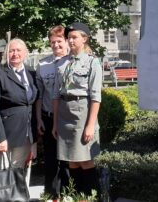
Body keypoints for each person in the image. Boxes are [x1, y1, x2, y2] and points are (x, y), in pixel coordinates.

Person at [52, 23, 102, 196]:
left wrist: (90, 125)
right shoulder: (61, 64)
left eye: (74, 37)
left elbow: (96, 97)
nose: (70, 40)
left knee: (85, 160)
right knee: (71, 161)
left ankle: (92, 197)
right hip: (65, 114)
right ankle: (76, 196)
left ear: (84, 39)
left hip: (83, 112)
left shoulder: (92, 62)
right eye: (69, 37)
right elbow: (56, 96)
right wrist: (55, 124)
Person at [0, 38, 38, 186]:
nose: (15, 54)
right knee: (3, 173)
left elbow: (33, 102)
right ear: (6, 53)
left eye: (18, 50)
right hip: (7, 133)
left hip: (27, 132)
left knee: (20, 171)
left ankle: (19, 197)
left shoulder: (32, 73)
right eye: (11, 51)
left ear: (25, 53)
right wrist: (0, 137)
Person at [36, 25, 70, 196]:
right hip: (48, 117)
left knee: (68, 160)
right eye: (52, 42)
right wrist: (39, 119)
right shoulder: (43, 64)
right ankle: (51, 196)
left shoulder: (73, 62)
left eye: (59, 41)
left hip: (69, 119)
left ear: (66, 41)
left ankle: (70, 195)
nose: (56, 45)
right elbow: (40, 95)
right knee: (50, 160)